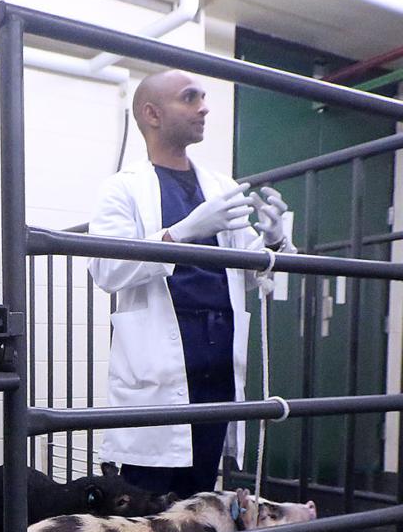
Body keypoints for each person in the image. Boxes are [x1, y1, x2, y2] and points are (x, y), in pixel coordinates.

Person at [88, 69, 294, 499]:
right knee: (148, 500)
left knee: (200, 495)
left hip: (217, 359)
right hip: (160, 364)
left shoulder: (221, 187)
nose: (204, 107)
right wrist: (181, 233)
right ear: (152, 113)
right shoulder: (122, 190)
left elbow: (253, 274)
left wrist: (274, 240)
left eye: (203, 97)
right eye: (190, 97)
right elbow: (107, 269)